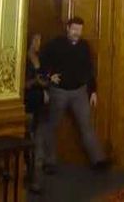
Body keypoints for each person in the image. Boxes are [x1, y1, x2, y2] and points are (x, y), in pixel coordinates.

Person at [39, 17, 109, 173]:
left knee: (86, 126)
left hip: (79, 92)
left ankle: (98, 160)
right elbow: (41, 59)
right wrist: (48, 76)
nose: (77, 33)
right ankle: (49, 162)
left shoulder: (84, 46)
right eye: (74, 29)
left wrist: (93, 91)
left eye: (80, 30)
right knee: (51, 126)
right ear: (68, 28)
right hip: (59, 91)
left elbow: (89, 70)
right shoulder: (56, 44)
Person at [23, 33, 48, 193]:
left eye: (40, 40)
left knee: (39, 140)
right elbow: (22, 84)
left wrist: (46, 82)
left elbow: (45, 77)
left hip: (40, 103)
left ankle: (37, 179)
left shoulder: (40, 58)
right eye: (36, 40)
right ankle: (30, 175)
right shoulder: (24, 59)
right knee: (29, 140)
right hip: (28, 102)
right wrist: (35, 82)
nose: (39, 43)